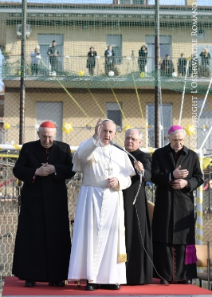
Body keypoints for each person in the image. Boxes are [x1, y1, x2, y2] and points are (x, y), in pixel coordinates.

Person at [68, 119, 135, 291]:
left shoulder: (120, 153)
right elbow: (82, 156)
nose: (107, 135)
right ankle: (92, 278)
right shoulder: (89, 145)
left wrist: (119, 180)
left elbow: (128, 178)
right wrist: (93, 137)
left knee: (112, 238)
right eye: (104, 131)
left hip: (113, 198)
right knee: (91, 236)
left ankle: (111, 278)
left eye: (111, 132)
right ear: (99, 130)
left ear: (115, 134)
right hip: (91, 197)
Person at [12, 121, 74, 287]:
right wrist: (35, 172)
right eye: (44, 136)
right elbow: (17, 169)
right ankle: (30, 275)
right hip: (33, 200)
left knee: (57, 237)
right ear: (38, 134)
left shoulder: (63, 148)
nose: (47, 140)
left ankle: (58, 276)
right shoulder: (28, 148)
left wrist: (55, 169)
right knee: (32, 236)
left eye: (50, 137)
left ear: (55, 135)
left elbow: (71, 169)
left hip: (56, 201)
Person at [151, 125, 203, 284]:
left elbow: (199, 178)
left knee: (184, 239)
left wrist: (186, 183)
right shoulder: (159, 154)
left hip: (184, 203)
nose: (178, 144)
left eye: (181, 140)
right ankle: (164, 275)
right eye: (175, 141)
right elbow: (153, 177)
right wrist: (170, 176)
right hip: (165, 202)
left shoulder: (192, 156)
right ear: (168, 139)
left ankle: (184, 275)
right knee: (163, 238)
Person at [123, 128, 153, 285]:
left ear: (140, 142)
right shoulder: (117, 153)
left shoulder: (143, 156)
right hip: (117, 201)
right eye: (128, 138)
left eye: (133, 139)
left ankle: (136, 275)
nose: (130, 141)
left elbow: (149, 174)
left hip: (135, 202)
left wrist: (141, 170)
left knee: (135, 236)